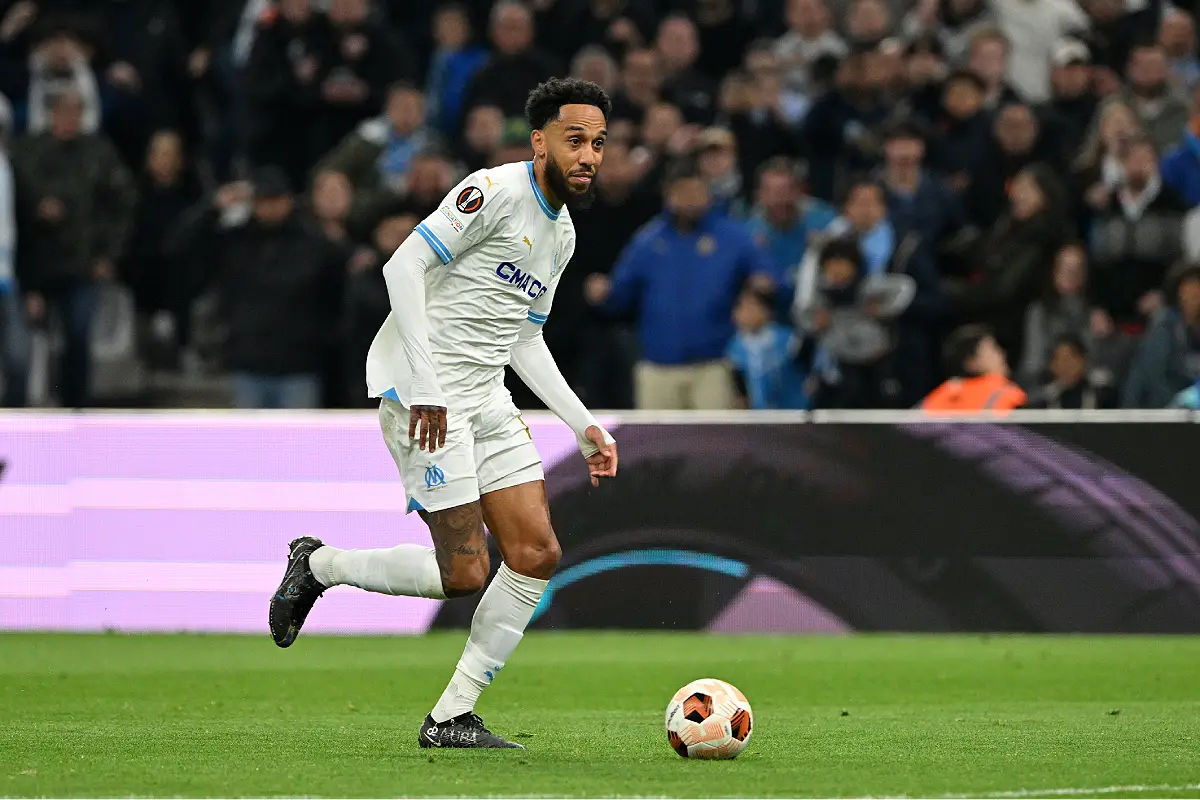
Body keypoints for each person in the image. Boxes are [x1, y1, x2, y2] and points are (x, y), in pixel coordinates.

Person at [268, 78, 618, 749]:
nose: (589, 156)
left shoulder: (562, 234)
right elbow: (402, 267)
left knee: (536, 552)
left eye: (598, 144)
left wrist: (583, 423)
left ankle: (451, 716)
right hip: (421, 397)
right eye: (575, 140)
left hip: (486, 398)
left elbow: (524, 337)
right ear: (539, 139)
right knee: (463, 575)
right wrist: (427, 384)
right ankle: (319, 566)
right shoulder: (493, 190)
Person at [921, 323, 1027, 413]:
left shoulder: (940, 395)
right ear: (971, 363)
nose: (1002, 354)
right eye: (992, 350)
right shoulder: (1007, 393)